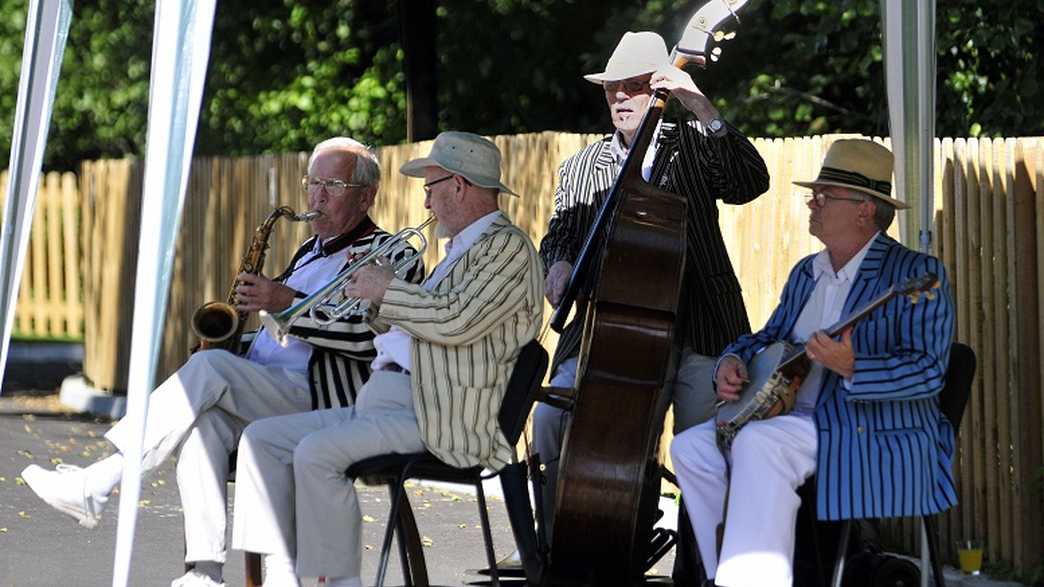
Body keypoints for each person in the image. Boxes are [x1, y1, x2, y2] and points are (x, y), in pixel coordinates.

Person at [21, 137, 424, 587]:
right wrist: (239, 340)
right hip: (274, 392)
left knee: (209, 374)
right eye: (312, 183)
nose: (317, 197)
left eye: (332, 184)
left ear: (366, 195)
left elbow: (365, 338)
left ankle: (100, 480)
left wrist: (283, 298)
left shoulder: (394, 254)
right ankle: (204, 573)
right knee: (203, 423)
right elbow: (282, 334)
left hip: (327, 400)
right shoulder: (308, 251)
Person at [229, 131, 544, 587]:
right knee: (263, 439)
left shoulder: (505, 248)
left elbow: (456, 322)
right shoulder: (462, 251)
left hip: (442, 413)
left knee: (317, 453)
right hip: (393, 403)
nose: (427, 202)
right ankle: (281, 575)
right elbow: (409, 326)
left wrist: (389, 291)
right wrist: (374, 299)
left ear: (459, 186)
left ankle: (332, 582)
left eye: (431, 188)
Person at [671, 139, 958, 587]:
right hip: (789, 420)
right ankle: (728, 574)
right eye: (815, 194)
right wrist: (730, 360)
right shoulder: (807, 272)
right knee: (690, 447)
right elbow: (768, 338)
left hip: (869, 427)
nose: (813, 202)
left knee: (758, 444)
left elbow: (928, 371)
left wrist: (852, 366)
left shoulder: (915, 274)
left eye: (825, 196)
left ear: (865, 210)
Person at [534, 30, 769, 540]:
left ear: (661, 87)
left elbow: (750, 182)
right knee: (552, 421)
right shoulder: (580, 168)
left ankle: (703, 564)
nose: (620, 96)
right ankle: (577, 542)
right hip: (611, 327)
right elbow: (561, 235)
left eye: (634, 86)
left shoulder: (691, 143)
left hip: (701, 323)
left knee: (704, 445)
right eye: (612, 87)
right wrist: (556, 263)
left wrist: (700, 104)